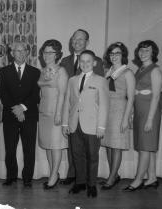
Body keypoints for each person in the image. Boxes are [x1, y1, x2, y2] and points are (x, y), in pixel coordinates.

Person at [59, 29, 104, 185]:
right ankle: (74, 176)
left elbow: (100, 93)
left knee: (90, 152)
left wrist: (100, 123)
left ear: (87, 42)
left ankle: (87, 181)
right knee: (74, 149)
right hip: (72, 113)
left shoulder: (96, 61)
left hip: (90, 116)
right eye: (74, 39)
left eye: (80, 39)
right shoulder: (64, 61)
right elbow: (65, 92)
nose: (76, 42)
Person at [62, 50, 109, 198]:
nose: (84, 64)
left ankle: (91, 184)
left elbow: (104, 105)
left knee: (92, 156)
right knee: (77, 155)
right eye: (82, 61)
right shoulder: (72, 80)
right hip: (74, 124)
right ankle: (80, 182)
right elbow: (67, 103)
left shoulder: (101, 80)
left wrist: (101, 126)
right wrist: (64, 123)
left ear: (94, 63)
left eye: (88, 61)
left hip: (93, 126)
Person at [0, 41, 40, 187]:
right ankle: (11, 176)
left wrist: (22, 107)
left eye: (24, 51)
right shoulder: (3, 71)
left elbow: (36, 95)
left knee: (29, 149)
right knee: (10, 148)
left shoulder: (36, 72)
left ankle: (27, 178)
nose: (21, 53)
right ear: (12, 53)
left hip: (29, 116)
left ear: (27, 53)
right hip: (10, 116)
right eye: (18, 51)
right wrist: (16, 109)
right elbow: (3, 94)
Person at [124, 40, 162, 191]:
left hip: (149, 112)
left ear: (153, 53)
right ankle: (152, 177)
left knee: (145, 147)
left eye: (147, 50)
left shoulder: (155, 70)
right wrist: (132, 113)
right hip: (140, 110)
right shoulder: (140, 69)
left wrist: (150, 119)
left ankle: (138, 180)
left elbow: (156, 97)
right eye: (141, 50)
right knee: (148, 147)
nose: (143, 53)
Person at [100, 42, 135, 190]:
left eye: (117, 53)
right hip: (107, 111)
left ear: (123, 55)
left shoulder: (127, 73)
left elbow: (131, 97)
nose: (114, 56)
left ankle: (111, 178)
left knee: (116, 146)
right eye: (112, 53)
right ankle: (114, 175)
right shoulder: (107, 71)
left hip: (120, 110)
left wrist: (126, 118)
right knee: (108, 145)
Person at [37, 39, 68, 189]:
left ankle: (54, 175)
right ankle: (52, 174)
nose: (47, 55)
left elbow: (62, 94)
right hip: (43, 111)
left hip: (56, 111)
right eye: (45, 52)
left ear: (57, 54)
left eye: (50, 52)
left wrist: (58, 114)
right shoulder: (43, 70)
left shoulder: (61, 71)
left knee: (56, 145)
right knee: (48, 145)